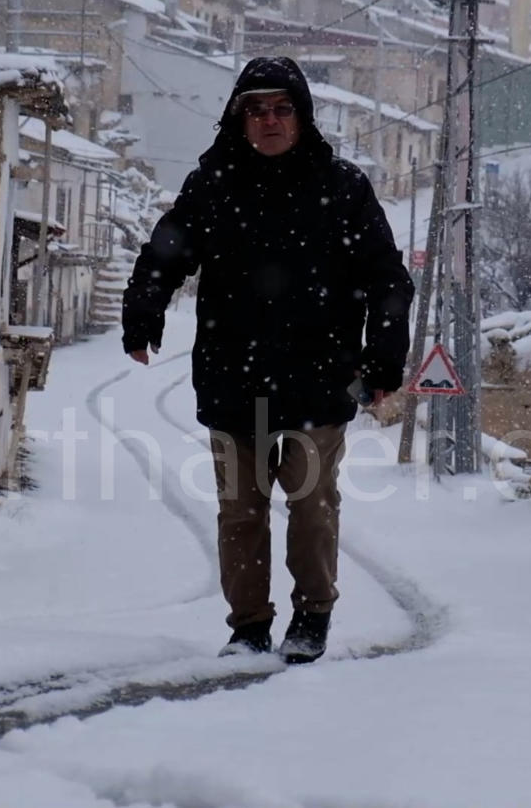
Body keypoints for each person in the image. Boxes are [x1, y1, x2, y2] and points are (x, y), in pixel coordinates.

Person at [121, 57, 414, 664]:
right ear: (239, 118)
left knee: (311, 508)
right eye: (256, 110)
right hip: (234, 379)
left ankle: (312, 614)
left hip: (319, 380)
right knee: (241, 514)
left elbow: (387, 277)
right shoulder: (214, 185)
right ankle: (249, 626)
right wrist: (142, 313)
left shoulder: (343, 188)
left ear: (301, 116)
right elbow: (165, 253)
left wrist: (384, 359)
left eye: (281, 108)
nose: (270, 120)